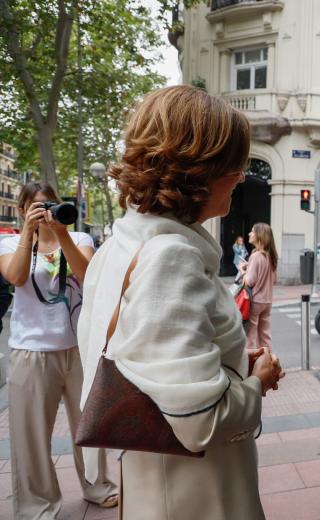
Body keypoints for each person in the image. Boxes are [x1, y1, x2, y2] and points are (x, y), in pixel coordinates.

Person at [78, 85, 284, 520]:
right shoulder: (172, 256)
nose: (243, 177)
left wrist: (227, 364)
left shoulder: (125, 241)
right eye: (237, 165)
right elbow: (200, 421)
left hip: (160, 479)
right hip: (197, 492)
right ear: (201, 171)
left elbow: (145, 357)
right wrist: (257, 382)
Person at [0, 182, 118, 519]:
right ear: (24, 209)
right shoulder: (9, 242)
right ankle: (38, 504)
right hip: (31, 351)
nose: (47, 210)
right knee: (31, 437)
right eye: (38, 206)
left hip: (79, 349)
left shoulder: (79, 239)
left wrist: (61, 232)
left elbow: (87, 276)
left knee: (90, 425)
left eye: (51, 203)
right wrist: (28, 232)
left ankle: (98, 486)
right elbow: (16, 276)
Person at [238, 222, 277, 350]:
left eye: (252, 231)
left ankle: (251, 363)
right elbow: (273, 279)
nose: (249, 234)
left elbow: (249, 281)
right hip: (267, 300)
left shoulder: (255, 256)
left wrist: (242, 271)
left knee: (251, 334)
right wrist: (249, 267)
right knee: (265, 334)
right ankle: (268, 360)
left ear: (260, 236)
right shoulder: (270, 256)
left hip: (255, 301)